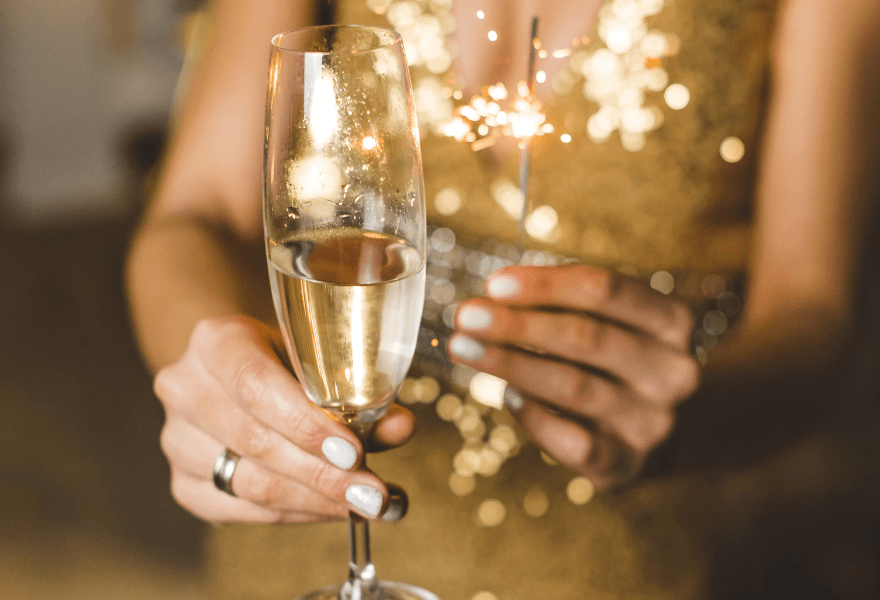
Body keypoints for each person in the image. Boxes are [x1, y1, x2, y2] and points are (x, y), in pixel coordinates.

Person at [126, 0, 880, 598]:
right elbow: (201, 215)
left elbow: (814, 312)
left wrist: (688, 415)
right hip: (299, 548)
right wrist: (226, 385)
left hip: (611, 568)